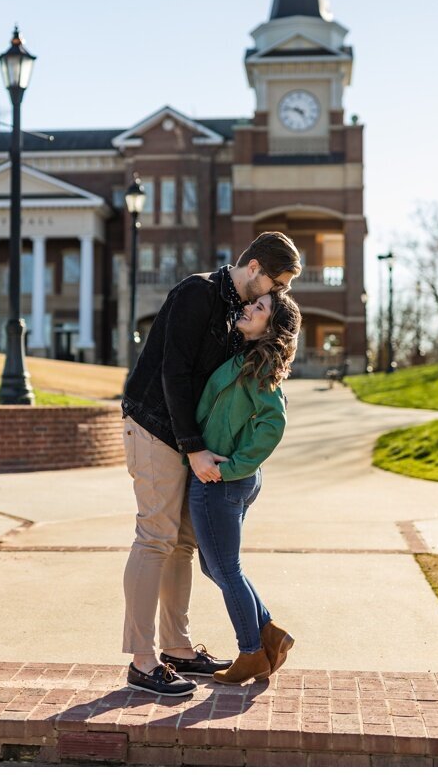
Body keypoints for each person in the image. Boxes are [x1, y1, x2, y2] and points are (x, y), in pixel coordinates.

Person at [121, 231, 301, 697]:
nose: (276, 295)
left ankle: (176, 648)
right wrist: (194, 446)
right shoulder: (197, 292)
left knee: (182, 544)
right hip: (158, 427)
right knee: (155, 537)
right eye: (275, 285)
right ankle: (142, 661)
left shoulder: (233, 312)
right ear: (256, 268)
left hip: (189, 442)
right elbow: (174, 371)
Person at [190, 292, 302, 685]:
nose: (249, 309)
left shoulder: (260, 364)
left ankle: (252, 652)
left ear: (272, 327)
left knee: (225, 567)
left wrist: (233, 466)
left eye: (260, 309)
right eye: (252, 304)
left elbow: (273, 423)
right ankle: (269, 631)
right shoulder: (244, 357)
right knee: (214, 564)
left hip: (223, 479)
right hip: (228, 477)